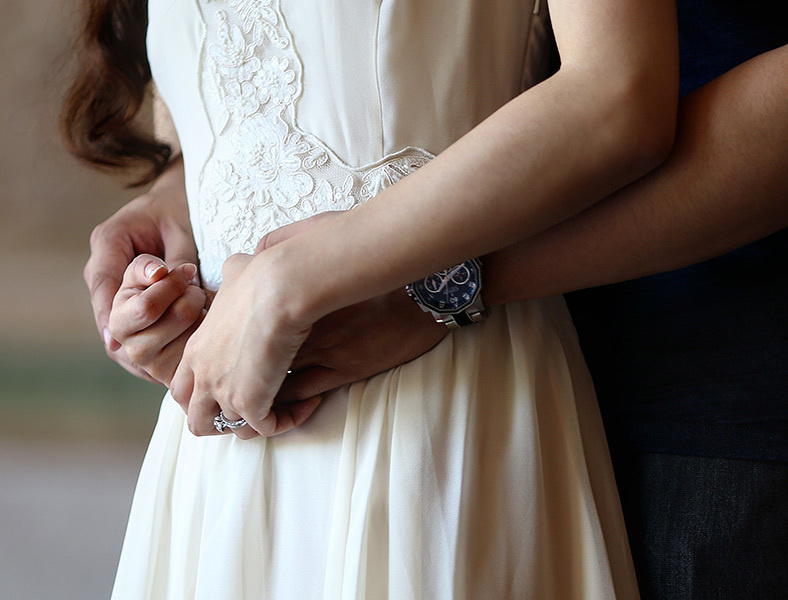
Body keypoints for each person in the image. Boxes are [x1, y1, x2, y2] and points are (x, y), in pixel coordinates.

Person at [65, 0, 681, 597]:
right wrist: (170, 206)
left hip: (444, 404)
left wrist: (299, 279)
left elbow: (616, 92)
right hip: (222, 454)